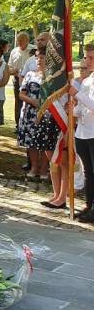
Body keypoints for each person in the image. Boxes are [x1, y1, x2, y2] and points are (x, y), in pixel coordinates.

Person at [18, 48, 58, 182]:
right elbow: (21, 94)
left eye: (42, 57)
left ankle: (44, 168)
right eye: (37, 57)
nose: (39, 60)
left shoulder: (54, 76)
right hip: (30, 113)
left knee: (46, 141)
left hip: (48, 114)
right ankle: (34, 167)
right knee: (31, 141)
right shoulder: (30, 74)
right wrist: (33, 101)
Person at [70, 44, 94, 221]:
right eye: (86, 57)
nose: (88, 61)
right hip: (83, 132)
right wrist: (73, 109)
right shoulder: (87, 80)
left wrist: (77, 94)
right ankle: (89, 204)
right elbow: (82, 109)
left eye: (92, 58)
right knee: (88, 172)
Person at [8, 32, 34, 127]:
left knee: (31, 100)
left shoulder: (34, 50)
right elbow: (9, 67)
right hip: (17, 79)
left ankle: (30, 123)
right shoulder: (14, 51)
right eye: (18, 40)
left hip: (32, 80)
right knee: (18, 101)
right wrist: (14, 70)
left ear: (27, 40)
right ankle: (18, 124)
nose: (19, 42)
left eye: (21, 40)